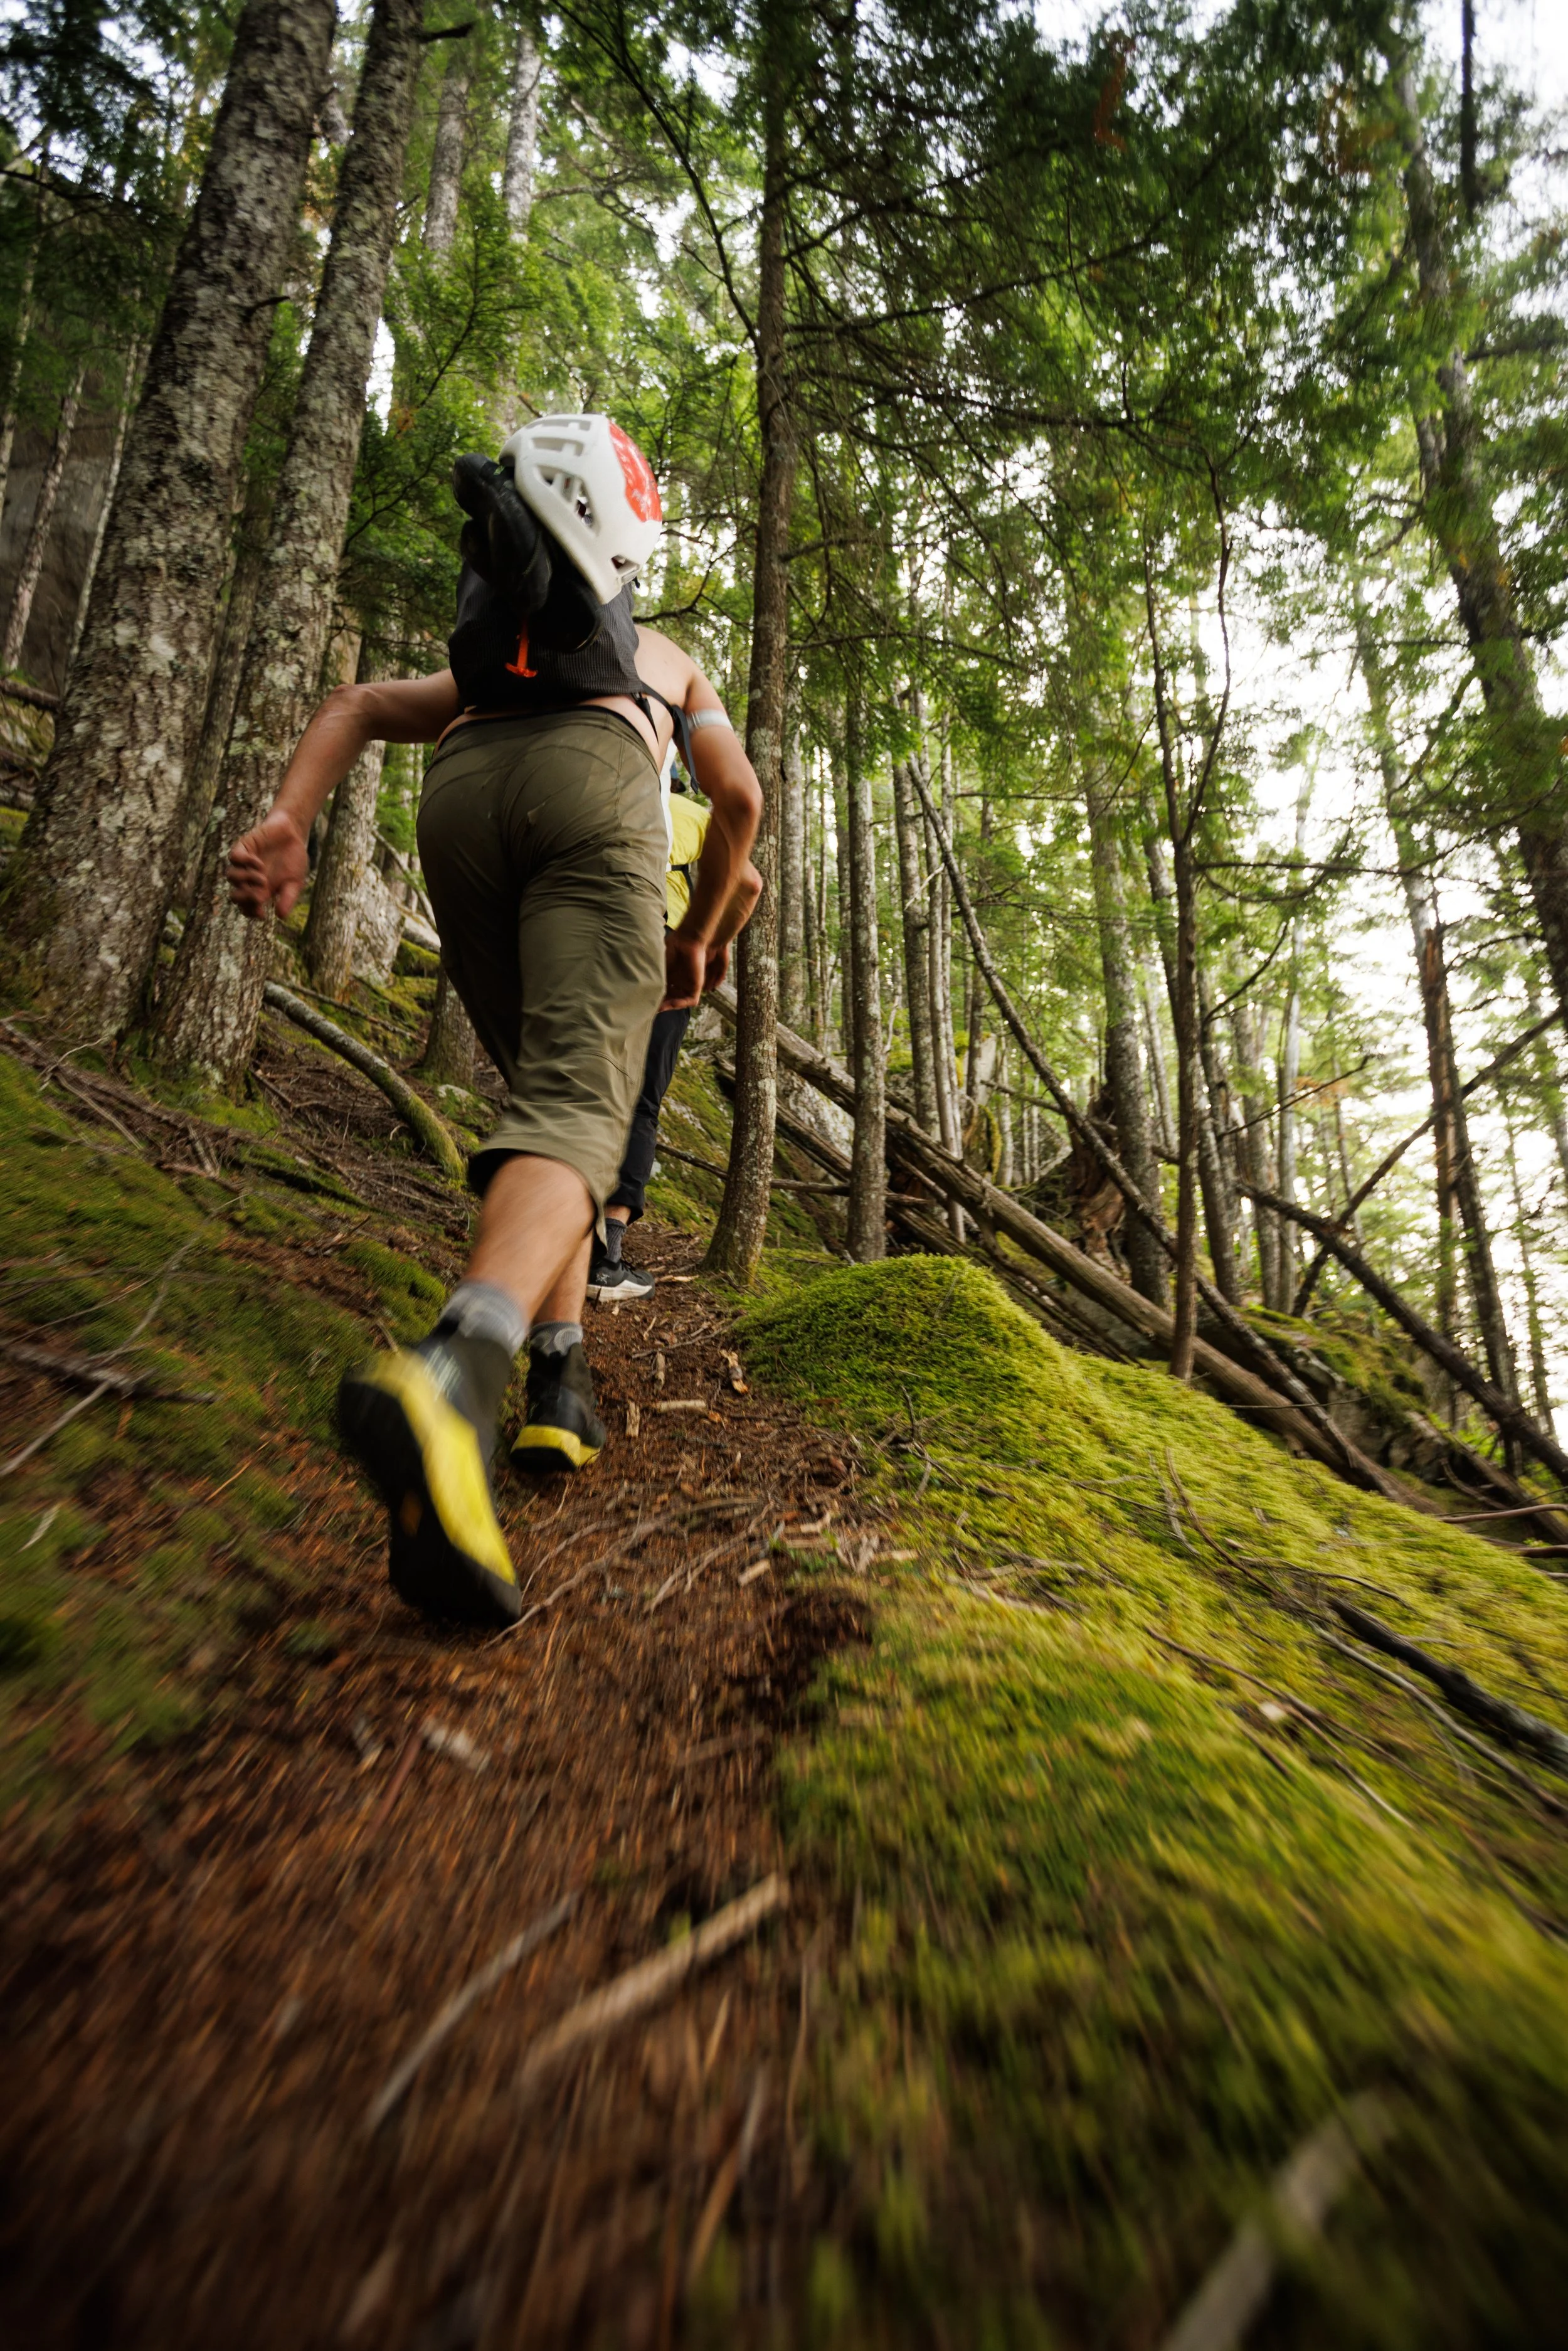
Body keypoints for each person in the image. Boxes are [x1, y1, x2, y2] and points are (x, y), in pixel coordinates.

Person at [226, 413, 762, 1629]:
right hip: (593, 793)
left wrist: (288, 822)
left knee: (546, 1119)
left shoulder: (483, 662)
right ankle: (456, 1370)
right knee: (581, 1107)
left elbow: (356, 701)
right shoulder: (667, 658)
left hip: (458, 799)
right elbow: (737, 796)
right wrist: (703, 934)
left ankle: (556, 1383)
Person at [586, 768, 756, 1304]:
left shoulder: (604, 801)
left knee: (582, 1084)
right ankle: (608, 1258)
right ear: (680, 785)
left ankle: (554, 1231)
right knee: (642, 1101)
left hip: (591, 942)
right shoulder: (701, 820)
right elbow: (747, 885)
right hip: (663, 956)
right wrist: (710, 945)